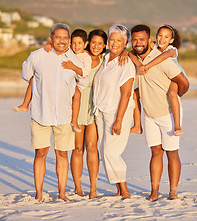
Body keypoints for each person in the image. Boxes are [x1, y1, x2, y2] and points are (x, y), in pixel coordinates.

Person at [22, 23, 88, 201]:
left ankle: (62, 193)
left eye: (65, 38)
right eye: (58, 37)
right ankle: (38, 193)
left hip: (64, 116)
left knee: (62, 154)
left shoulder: (74, 61)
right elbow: (26, 74)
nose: (62, 41)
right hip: (40, 114)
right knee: (41, 153)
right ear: (51, 38)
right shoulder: (37, 56)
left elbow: (82, 83)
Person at [130, 24, 189, 201]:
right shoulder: (136, 58)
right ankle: (154, 191)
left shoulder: (165, 58)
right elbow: (129, 54)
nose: (138, 43)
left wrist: (176, 95)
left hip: (168, 114)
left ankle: (173, 191)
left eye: (142, 39)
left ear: (149, 40)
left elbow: (184, 83)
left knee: (172, 152)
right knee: (155, 152)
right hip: (149, 115)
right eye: (134, 39)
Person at [12, 29, 92, 133]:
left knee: (77, 94)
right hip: (62, 80)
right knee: (34, 79)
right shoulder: (69, 51)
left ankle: (74, 120)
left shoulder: (86, 57)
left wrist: (73, 67)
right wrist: (49, 44)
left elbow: (85, 73)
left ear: (85, 44)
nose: (76, 46)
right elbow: (58, 45)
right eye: (74, 43)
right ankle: (25, 104)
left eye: (80, 43)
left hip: (75, 82)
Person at [93, 24, 135, 199]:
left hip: (117, 113)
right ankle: (118, 188)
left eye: (119, 40)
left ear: (125, 44)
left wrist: (119, 119)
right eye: (112, 39)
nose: (115, 43)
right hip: (101, 111)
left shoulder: (126, 63)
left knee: (111, 152)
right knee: (104, 151)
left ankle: (125, 190)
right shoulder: (106, 58)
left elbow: (126, 94)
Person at [70, 29, 107, 199]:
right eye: (93, 42)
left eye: (100, 43)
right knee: (78, 148)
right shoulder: (77, 55)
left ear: (104, 45)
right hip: (76, 105)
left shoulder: (105, 60)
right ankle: (78, 187)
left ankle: (93, 188)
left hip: (94, 107)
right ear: (87, 43)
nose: (96, 46)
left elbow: (124, 52)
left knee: (92, 147)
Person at [128, 24, 184, 136]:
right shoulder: (154, 45)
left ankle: (177, 126)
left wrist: (147, 66)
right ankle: (137, 125)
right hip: (162, 77)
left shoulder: (171, 50)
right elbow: (131, 53)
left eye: (166, 37)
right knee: (134, 94)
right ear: (156, 36)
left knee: (173, 95)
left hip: (174, 77)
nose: (162, 39)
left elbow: (162, 57)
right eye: (160, 35)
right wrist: (139, 64)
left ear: (171, 40)